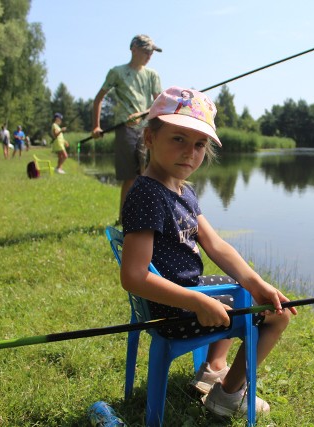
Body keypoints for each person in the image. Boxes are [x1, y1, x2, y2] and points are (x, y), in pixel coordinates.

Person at [119, 87, 296, 418]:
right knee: (278, 315)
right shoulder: (147, 196)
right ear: (149, 138)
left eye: (199, 144)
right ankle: (228, 395)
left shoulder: (181, 190)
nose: (190, 152)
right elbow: (133, 276)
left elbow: (215, 244)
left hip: (184, 295)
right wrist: (200, 301)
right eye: (178, 139)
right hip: (174, 309)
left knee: (240, 286)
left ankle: (214, 368)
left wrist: (256, 282)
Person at [91, 34, 163, 223]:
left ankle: (148, 217)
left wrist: (143, 114)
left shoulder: (152, 75)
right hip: (125, 129)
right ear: (134, 49)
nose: (150, 55)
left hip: (146, 128)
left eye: (152, 52)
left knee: (150, 174)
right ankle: (124, 218)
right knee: (130, 176)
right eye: (147, 50)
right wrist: (96, 126)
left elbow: (159, 104)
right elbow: (98, 99)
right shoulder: (117, 72)